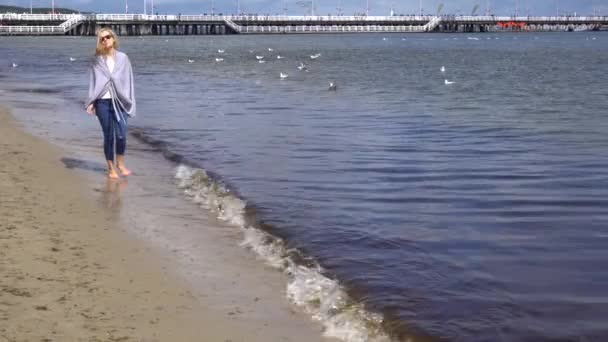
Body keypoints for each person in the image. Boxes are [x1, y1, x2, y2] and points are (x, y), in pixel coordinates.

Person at [85, 28, 136, 179]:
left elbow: (128, 80)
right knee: (109, 136)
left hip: (120, 100)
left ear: (113, 39)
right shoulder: (97, 60)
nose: (105, 40)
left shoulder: (123, 58)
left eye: (107, 37)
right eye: (102, 38)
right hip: (102, 102)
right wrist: (91, 101)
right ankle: (111, 168)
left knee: (121, 135)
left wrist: (129, 99)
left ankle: (120, 163)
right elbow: (94, 82)